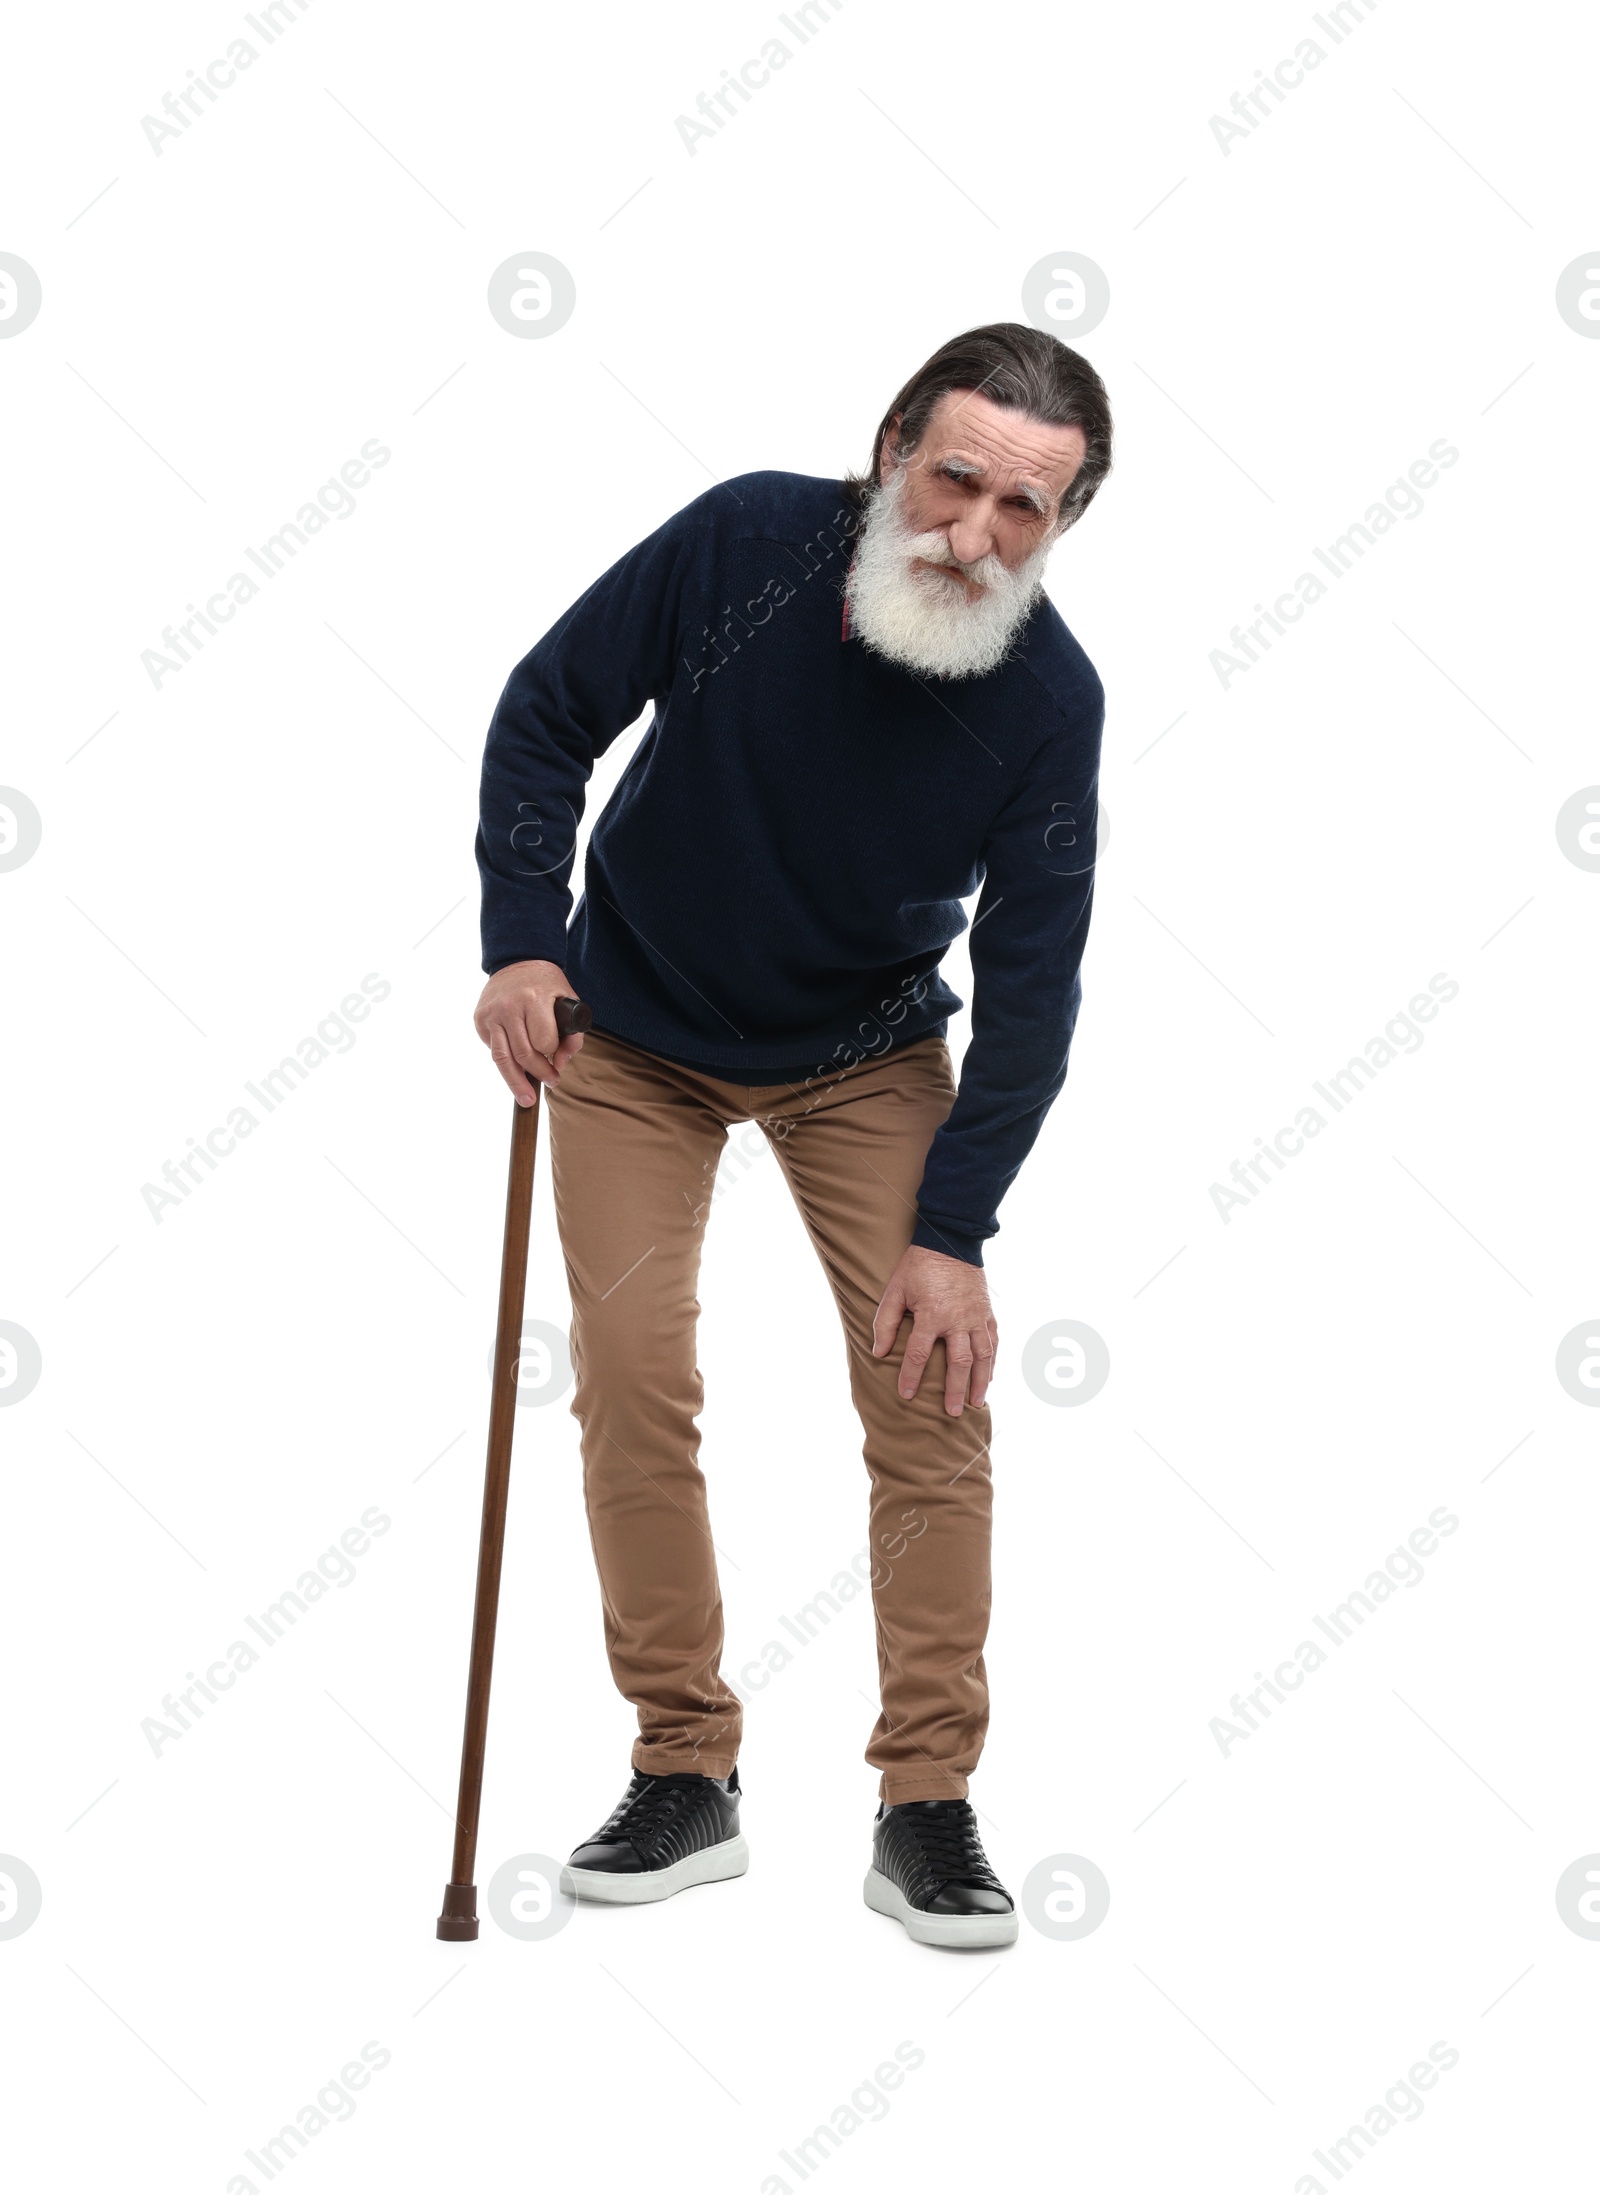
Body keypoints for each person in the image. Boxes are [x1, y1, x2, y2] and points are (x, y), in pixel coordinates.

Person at [473, 322, 1112, 1948]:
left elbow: (1035, 991)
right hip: (634, 1030)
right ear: (895, 440)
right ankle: (686, 1766)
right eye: (955, 477)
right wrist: (522, 940)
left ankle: (926, 1803)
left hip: (863, 1051)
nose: (972, 532)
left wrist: (954, 1232)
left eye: (1022, 510)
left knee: (931, 1392)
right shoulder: (749, 536)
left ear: (1066, 526)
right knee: (627, 1364)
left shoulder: (1050, 700)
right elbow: (549, 714)